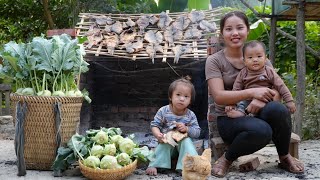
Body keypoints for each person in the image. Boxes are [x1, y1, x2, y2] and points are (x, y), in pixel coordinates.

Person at [205, 11, 304, 177]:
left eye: (239, 28)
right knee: (262, 131)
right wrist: (252, 93)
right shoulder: (215, 61)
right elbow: (219, 96)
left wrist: (261, 101)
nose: (235, 33)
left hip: (259, 113)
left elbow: (277, 91)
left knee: (279, 110)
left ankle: (284, 157)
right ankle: (227, 159)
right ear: (222, 33)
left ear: (247, 30)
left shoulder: (260, 58)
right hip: (230, 118)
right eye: (229, 29)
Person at [225, 40, 296, 118]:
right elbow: (236, 89)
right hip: (248, 101)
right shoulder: (243, 73)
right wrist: (231, 103)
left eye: (259, 56)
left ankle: (253, 114)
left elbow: (281, 86)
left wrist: (289, 101)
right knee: (241, 103)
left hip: (265, 100)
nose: (255, 60)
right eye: (250, 57)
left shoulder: (269, 71)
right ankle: (242, 113)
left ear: (265, 59)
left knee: (274, 104)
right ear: (244, 61)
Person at [146, 77, 201, 176]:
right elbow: (154, 125)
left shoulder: (190, 115)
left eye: (186, 96)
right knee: (165, 139)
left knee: (187, 141)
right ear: (170, 96)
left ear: (190, 100)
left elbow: (197, 132)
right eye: (178, 95)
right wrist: (158, 134)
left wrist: (187, 129)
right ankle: (155, 164)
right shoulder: (163, 111)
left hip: (183, 149)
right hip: (167, 148)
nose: (181, 98)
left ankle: (186, 167)